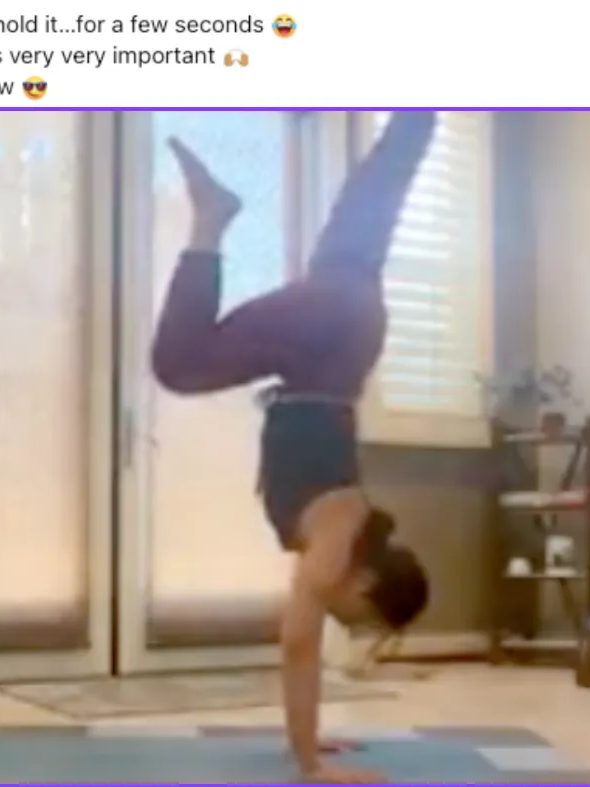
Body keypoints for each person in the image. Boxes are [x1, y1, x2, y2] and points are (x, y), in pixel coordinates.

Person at [151, 111, 436, 783]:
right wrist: (311, 764)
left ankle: (418, 108)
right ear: (365, 584)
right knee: (179, 364)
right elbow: (299, 644)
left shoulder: (343, 528)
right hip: (325, 346)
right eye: (360, 620)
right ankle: (212, 220)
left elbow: (303, 643)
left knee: (370, 208)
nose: (345, 621)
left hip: (341, 333)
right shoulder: (336, 543)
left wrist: (309, 739)